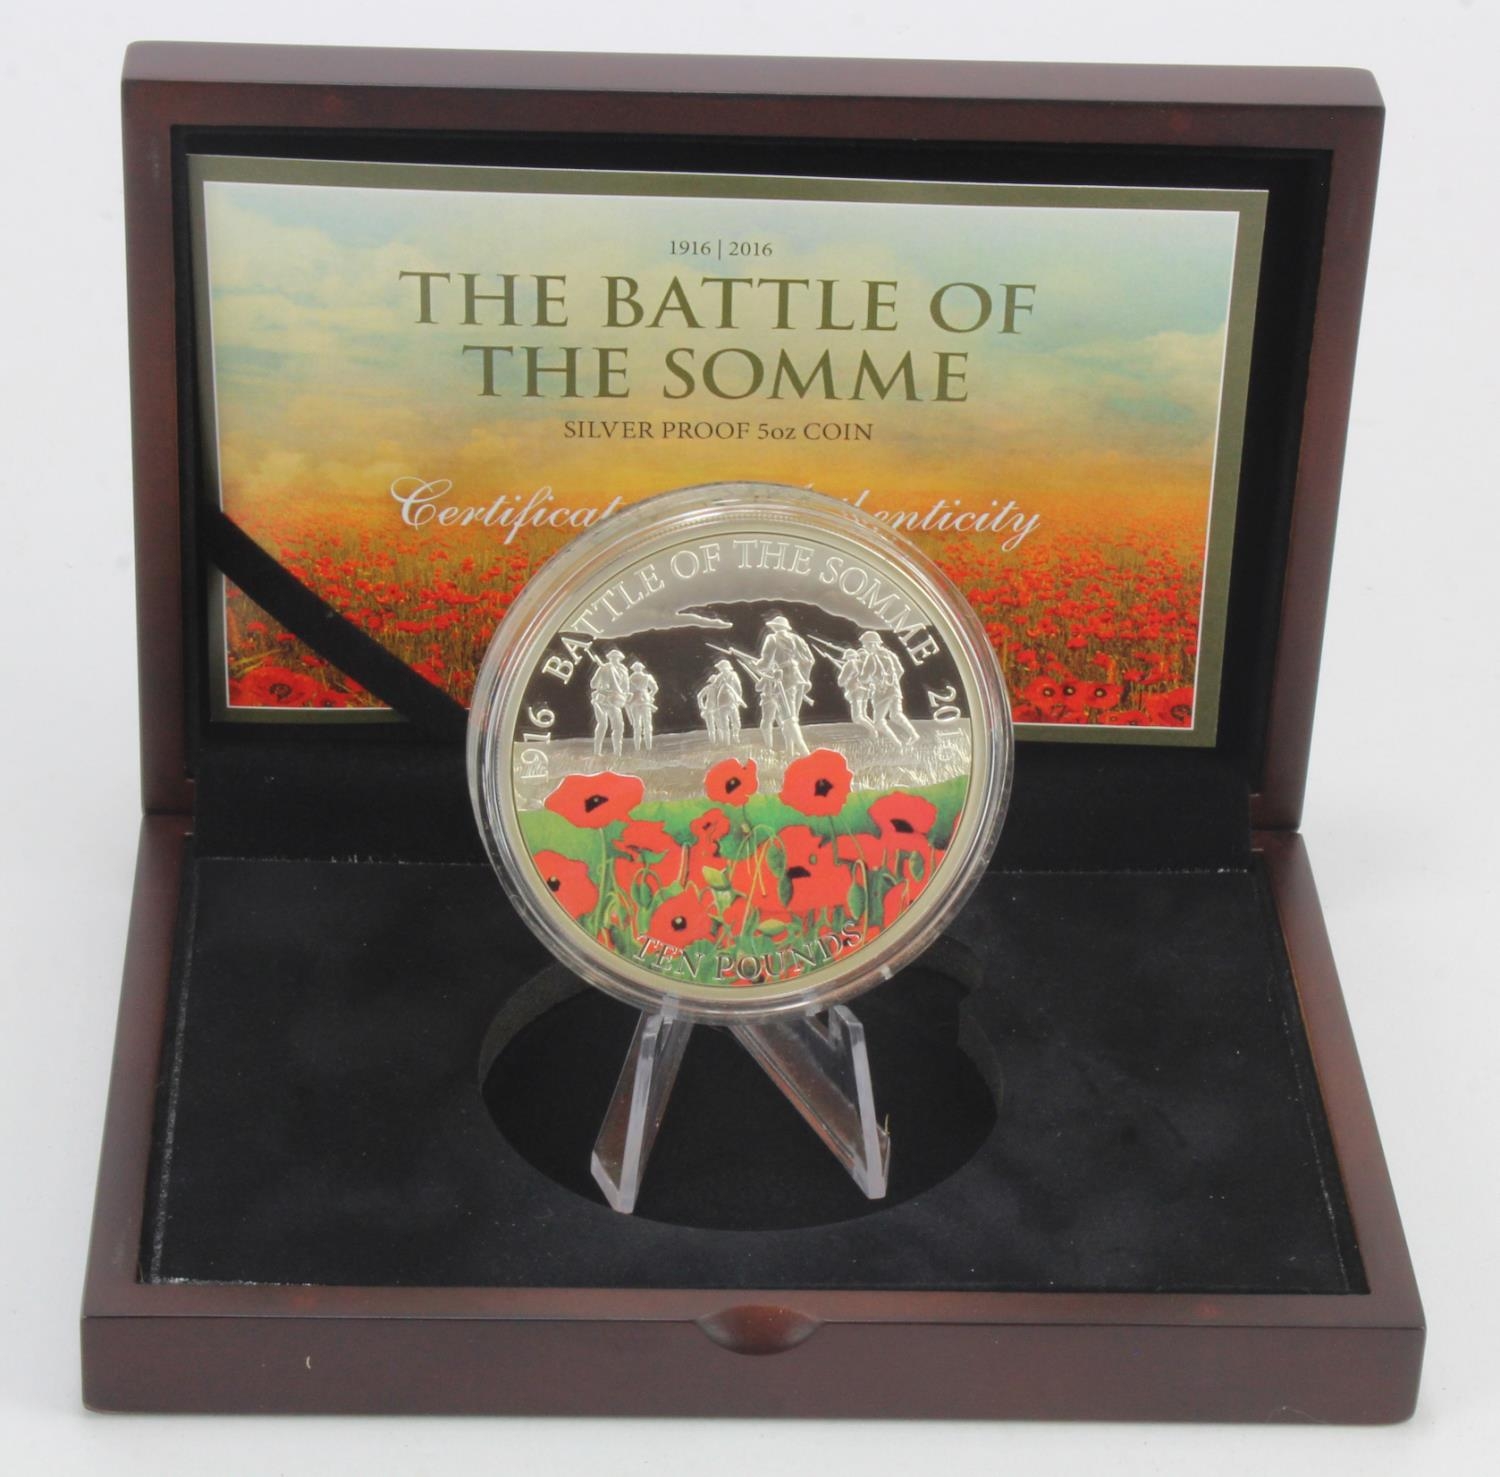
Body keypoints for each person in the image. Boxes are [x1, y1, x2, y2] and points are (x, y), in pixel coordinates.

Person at [751, 614, 814, 755]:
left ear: (774, 627)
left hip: (784, 680)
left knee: (788, 718)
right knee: (793, 717)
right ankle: (790, 752)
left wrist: (756, 665)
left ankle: (805, 753)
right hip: (798, 679)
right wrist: (805, 678)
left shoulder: (772, 638)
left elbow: (765, 662)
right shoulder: (797, 639)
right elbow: (810, 660)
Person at [856, 631, 919, 746]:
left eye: (865, 644)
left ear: (873, 644)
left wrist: (860, 675)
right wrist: (891, 683)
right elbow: (900, 671)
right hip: (895, 690)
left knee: (878, 722)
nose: (864, 647)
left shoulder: (870, 659)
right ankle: (914, 735)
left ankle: (897, 744)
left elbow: (864, 679)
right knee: (896, 715)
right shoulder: (890, 655)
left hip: (882, 694)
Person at [590, 648, 630, 756]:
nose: (614, 659)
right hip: (605, 699)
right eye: (613, 657)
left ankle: (616, 753)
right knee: (605, 725)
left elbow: (625, 688)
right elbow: (593, 684)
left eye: (615, 658)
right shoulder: (608, 668)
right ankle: (599, 752)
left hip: (613, 700)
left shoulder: (621, 670)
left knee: (615, 726)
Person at [697, 659, 745, 745]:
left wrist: (738, 699)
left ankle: (735, 736)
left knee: (736, 722)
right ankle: (726, 742)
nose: (721, 670)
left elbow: (738, 688)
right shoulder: (719, 677)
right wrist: (713, 705)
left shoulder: (733, 675)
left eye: (722, 667)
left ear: (727, 667)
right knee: (724, 724)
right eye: (720, 668)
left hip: (732, 702)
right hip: (721, 703)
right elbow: (715, 689)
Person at [626, 660, 659, 752]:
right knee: (644, 725)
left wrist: (649, 696)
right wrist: (649, 696)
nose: (637, 669)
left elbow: (627, 693)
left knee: (639, 726)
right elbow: (655, 688)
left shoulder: (629, 679)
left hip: (637, 703)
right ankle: (646, 748)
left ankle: (642, 748)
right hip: (642, 702)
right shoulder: (645, 677)